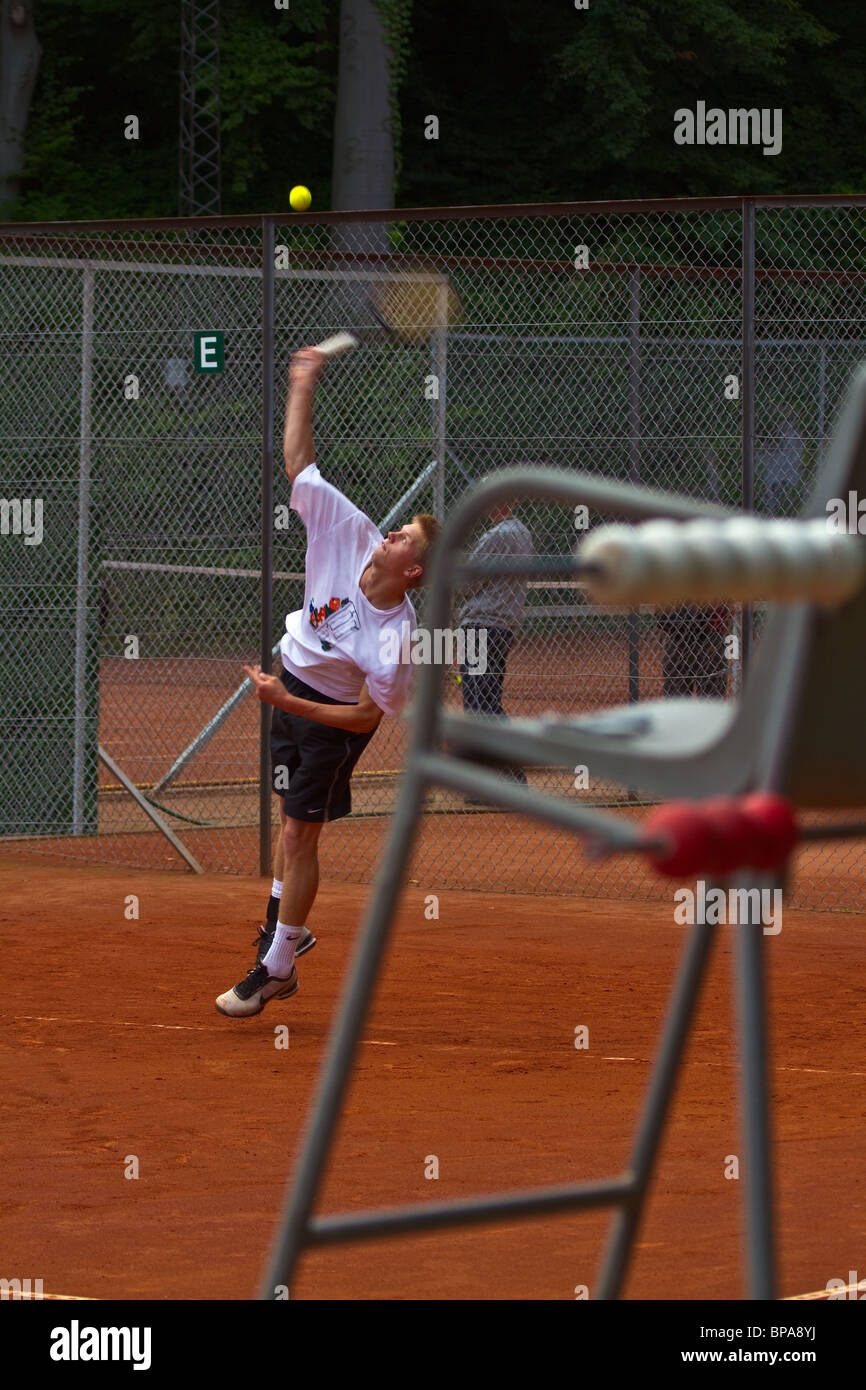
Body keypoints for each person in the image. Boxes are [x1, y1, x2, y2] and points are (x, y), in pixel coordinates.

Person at [216, 346, 439, 1017]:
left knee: (297, 837)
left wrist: (287, 700)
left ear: (414, 572)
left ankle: (277, 966)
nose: (394, 533)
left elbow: (371, 719)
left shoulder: (397, 637)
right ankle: (289, 928)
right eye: (399, 528)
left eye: (407, 540)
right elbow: (298, 462)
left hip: (330, 721)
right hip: (290, 688)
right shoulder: (349, 527)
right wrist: (302, 382)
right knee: (290, 827)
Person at [456, 502, 533, 797]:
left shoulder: (496, 536)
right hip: (502, 627)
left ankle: (509, 778)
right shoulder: (522, 533)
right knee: (485, 699)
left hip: (480, 627)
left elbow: (466, 585)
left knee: (480, 703)